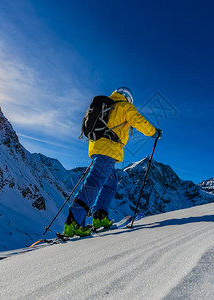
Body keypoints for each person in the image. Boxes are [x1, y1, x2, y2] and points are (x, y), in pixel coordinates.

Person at [63, 87, 162, 237]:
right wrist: (154, 132)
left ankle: (100, 217)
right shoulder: (124, 106)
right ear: (128, 98)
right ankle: (74, 221)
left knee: (110, 184)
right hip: (108, 150)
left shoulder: (108, 105)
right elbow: (138, 121)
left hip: (99, 147)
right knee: (95, 181)